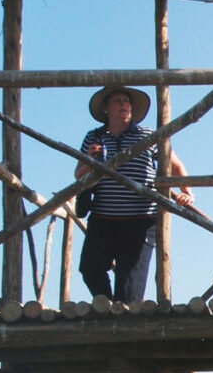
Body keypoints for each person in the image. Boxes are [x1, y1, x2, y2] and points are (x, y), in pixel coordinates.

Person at [75, 86, 192, 303]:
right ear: (106, 109)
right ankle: (106, 308)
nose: (123, 105)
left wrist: (187, 192)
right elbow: (78, 174)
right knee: (90, 269)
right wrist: (90, 160)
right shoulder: (94, 137)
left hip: (140, 220)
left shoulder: (147, 136)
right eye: (118, 101)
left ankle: (120, 313)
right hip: (103, 218)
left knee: (129, 287)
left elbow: (175, 165)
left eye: (127, 101)